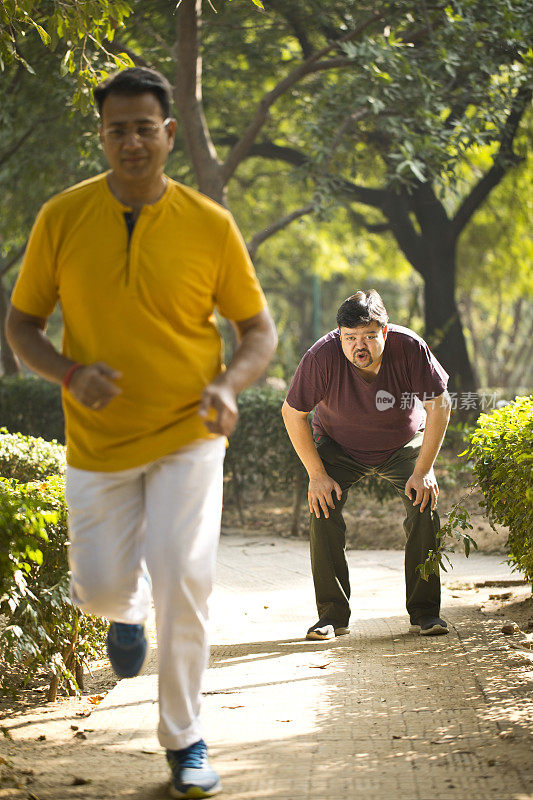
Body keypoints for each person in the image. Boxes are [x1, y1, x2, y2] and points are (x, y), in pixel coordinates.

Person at [6, 67, 277, 799]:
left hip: (189, 432)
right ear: (102, 136)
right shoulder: (61, 218)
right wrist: (68, 373)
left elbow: (257, 329)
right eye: (116, 128)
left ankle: (184, 741)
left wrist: (226, 384)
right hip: (97, 443)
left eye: (143, 127)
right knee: (98, 588)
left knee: (186, 580)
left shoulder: (207, 225)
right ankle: (121, 613)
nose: (131, 140)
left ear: (166, 135)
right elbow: (22, 325)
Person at [282, 290, 451, 641]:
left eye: (370, 337)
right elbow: (293, 413)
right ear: (338, 335)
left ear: (384, 333)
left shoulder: (409, 347)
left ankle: (425, 612)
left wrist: (423, 470)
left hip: (402, 442)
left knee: (424, 501)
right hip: (339, 446)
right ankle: (331, 615)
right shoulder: (321, 357)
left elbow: (441, 404)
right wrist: (317, 475)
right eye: (350, 338)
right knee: (322, 506)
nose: (360, 346)